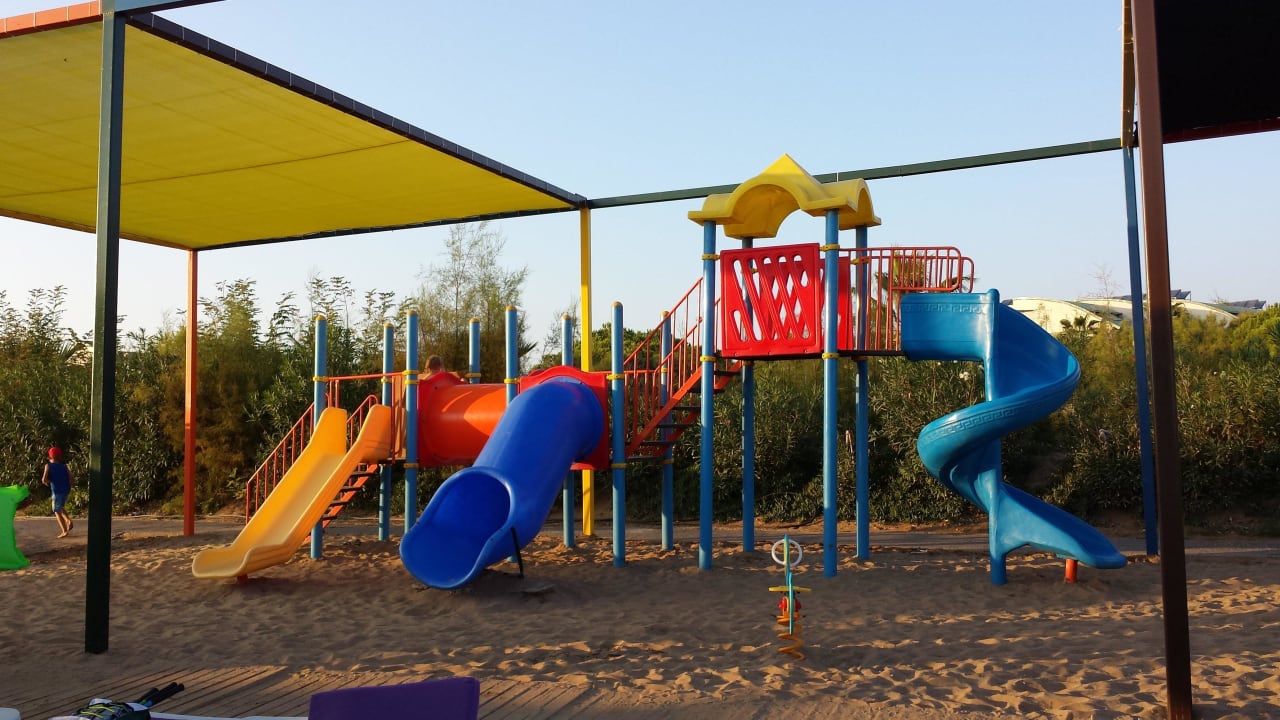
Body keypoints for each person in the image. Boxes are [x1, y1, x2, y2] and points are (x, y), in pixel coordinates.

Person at [40, 447, 73, 538]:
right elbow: (71, 476)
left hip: (56, 491)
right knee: (60, 507)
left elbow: (44, 479)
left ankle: (64, 530)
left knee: (56, 511)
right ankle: (68, 521)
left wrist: (47, 481)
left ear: (50, 456)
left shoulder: (48, 466)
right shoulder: (64, 466)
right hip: (65, 490)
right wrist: (70, 484)